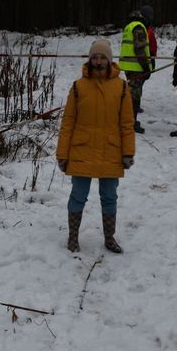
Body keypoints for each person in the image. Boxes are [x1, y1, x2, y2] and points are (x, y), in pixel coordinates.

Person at [57, 39, 136, 254]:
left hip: (111, 150)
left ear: (109, 60)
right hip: (82, 150)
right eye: (95, 57)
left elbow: (127, 124)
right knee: (78, 195)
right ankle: (73, 237)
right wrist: (62, 154)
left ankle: (109, 238)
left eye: (102, 57)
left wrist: (128, 152)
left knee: (109, 196)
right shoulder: (78, 87)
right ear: (90, 59)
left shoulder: (121, 87)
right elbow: (67, 123)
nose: (98, 60)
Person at [118, 10, 152, 133]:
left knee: (131, 94)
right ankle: (131, 123)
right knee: (134, 97)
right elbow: (139, 48)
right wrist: (146, 67)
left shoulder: (128, 27)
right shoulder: (138, 27)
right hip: (136, 67)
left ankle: (130, 121)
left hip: (129, 66)